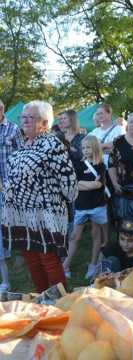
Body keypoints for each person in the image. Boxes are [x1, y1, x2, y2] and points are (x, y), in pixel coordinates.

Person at [1, 101, 77, 293]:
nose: (25, 121)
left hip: (45, 213)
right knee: (32, 260)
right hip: (21, 214)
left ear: (44, 122)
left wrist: (58, 203)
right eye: (23, 117)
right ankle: (42, 300)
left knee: (48, 260)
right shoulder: (24, 143)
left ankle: (61, 302)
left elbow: (69, 182)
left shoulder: (52, 144)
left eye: (30, 117)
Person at [62, 135, 107, 280]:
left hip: (97, 205)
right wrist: (90, 185)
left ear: (95, 148)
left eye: (88, 147)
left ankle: (93, 264)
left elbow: (99, 184)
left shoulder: (100, 165)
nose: (85, 150)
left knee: (96, 234)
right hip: (81, 206)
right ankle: (65, 265)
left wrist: (82, 184)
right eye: (83, 148)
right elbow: (74, 184)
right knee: (74, 236)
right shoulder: (78, 165)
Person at [0, 99, 24, 291]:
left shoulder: (13, 129)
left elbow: (22, 153)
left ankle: (19, 253)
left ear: (2, 110)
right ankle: (5, 252)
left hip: (11, 182)